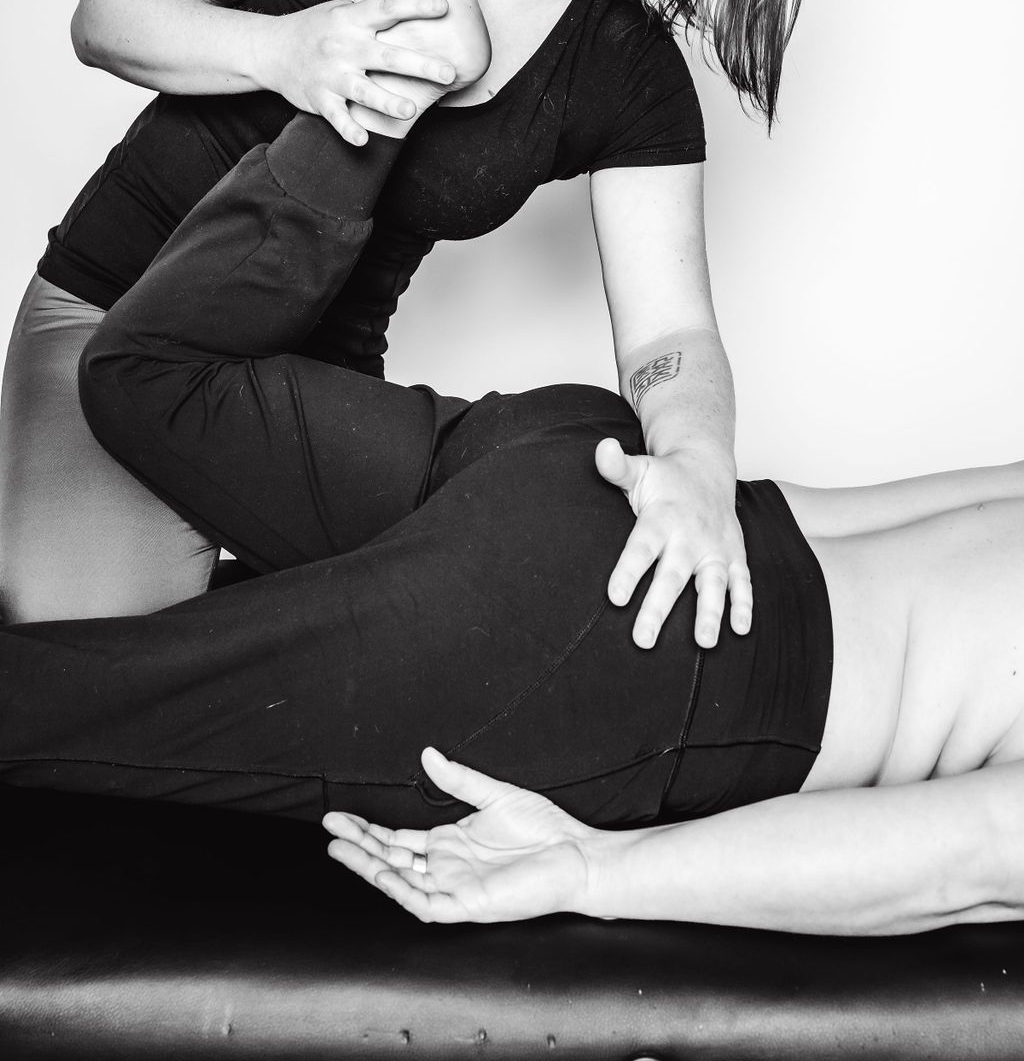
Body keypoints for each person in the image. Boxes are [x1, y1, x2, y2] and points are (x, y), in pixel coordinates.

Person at [1, 112, 1022, 940]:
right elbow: (959, 865)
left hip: (597, 466)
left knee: (142, 379)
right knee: (49, 709)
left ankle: (376, 80)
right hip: (632, 644)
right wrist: (589, 868)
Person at [0, 0, 820, 644]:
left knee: (421, 654)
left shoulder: (627, 72)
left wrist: (693, 464)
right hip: (113, 317)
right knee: (85, 688)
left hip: (311, 383)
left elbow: (670, 338)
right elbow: (104, 12)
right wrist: (283, 51)